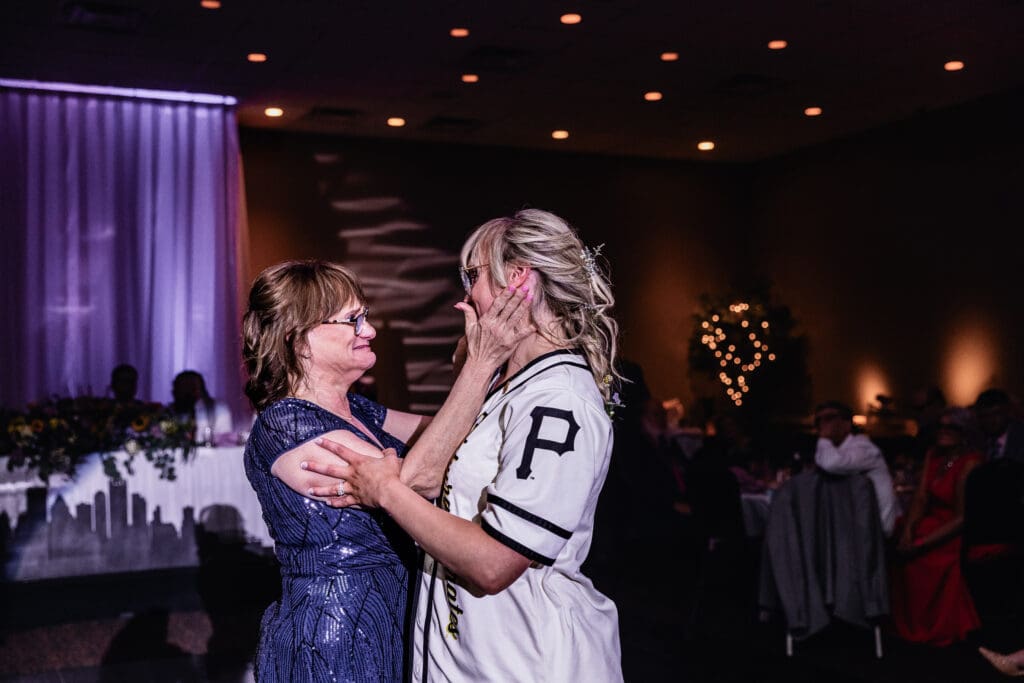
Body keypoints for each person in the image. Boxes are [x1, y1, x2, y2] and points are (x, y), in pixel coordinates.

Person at [305, 209, 625, 682]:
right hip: (478, 654)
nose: (464, 298)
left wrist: (387, 491)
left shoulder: (558, 402)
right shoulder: (510, 386)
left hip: (527, 661)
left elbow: (494, 562)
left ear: (517, 280)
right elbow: (429, 473)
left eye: (470, 276)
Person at [241, 259, 531, 682]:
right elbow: (413, 481)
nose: (370, 330)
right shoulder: (285, 423)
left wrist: (490, 367)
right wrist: (480, 365)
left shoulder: (358, 409)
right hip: (334, 638)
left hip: (394, 616)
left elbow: (458, 438)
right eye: (353, 320)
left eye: (366, 317)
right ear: (299, 339)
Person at [890, 407, 984, 646]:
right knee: (899, 537)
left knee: (922, 559)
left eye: (951, 427)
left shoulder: (970, 463)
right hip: (930, 521)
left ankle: (931, 626)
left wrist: (920, 544)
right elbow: (920, 497)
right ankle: (907, 622)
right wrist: (910, 531)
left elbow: (963, 518)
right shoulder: (934, 455)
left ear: (964, 432)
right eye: (940, 427)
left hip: (953, 528)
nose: (944, 432)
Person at [812, 400, 899, 537]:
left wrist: (824, 439)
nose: (823, 424)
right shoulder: (829, 450)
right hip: (858, 527)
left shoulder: (863, 446)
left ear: (847, 424)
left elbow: (832, 463)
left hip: (879, 530)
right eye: (818, 420)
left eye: (829, 418)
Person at [170, 370, 234, 445]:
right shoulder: (168, 414)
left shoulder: (219, 410)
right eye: (182, 388)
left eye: (192, 388)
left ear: (201, 389)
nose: (187, 392)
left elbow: (225, 444)